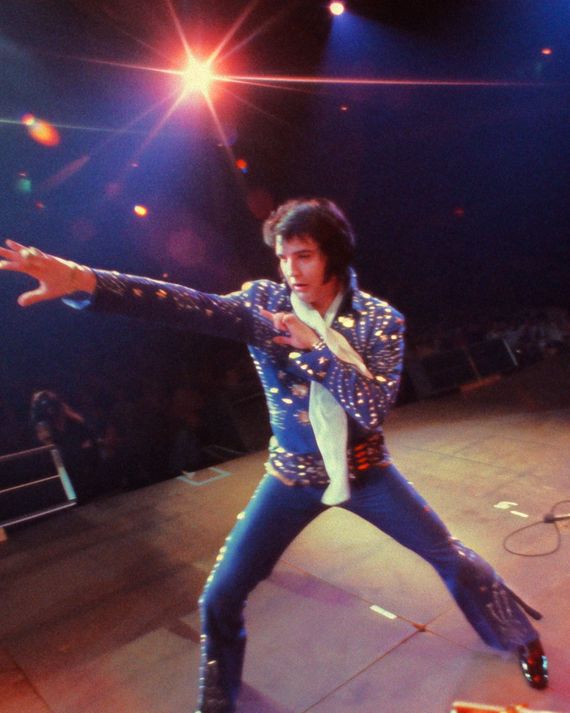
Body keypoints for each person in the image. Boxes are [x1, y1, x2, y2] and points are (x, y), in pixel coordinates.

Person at [0, 199, 548, 711]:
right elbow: (189, 306)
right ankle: (219, 688)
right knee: (221, 592)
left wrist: (315, 351)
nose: (290, 270)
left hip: (367, 471)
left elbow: (373, 408)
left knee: (450, 555)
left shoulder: (380, 320)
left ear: (334, 254)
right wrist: (85, 281)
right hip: (289, 478)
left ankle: (518, 636)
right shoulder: (265, 305)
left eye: (303, 255)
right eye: (283, 257)